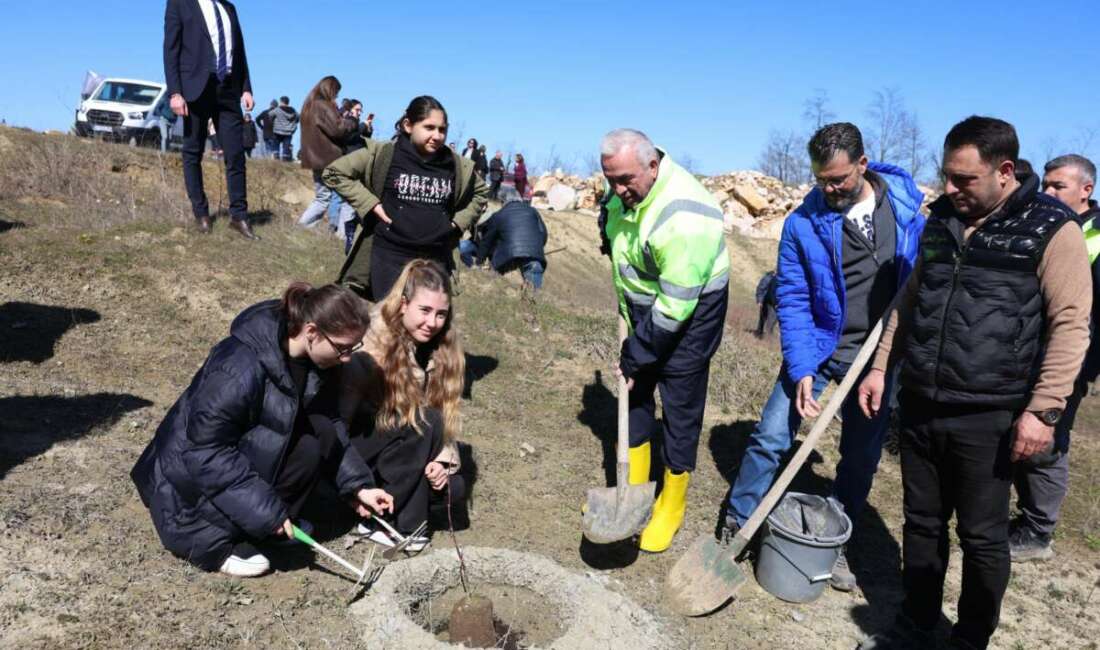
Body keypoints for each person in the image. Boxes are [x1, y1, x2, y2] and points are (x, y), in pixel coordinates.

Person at [857, 116, 1091, 650]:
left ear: (1004, 171)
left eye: (965, 180)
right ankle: (915, 624)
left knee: (982, 537)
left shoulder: (1052, 229)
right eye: (947, 177)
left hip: (990, 412)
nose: (951, 190)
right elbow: (910, 302)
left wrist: (1045, 410)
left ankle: (970, 639)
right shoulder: (940, 222)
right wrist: (880, 369)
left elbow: (1071, 324)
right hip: (921, 400)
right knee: (921, 523)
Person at [718, 123, 925, 592]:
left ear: (862, 165)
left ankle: (834, 541)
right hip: (820, 347)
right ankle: (739, 521)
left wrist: (888, 355)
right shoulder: (802, 223)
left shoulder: (907, 205)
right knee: (771, 436)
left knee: (860, 455)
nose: (828, 189)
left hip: (879, 357)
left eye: (838, 179)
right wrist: (802, 368)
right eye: (820, 180)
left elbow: (918, 275)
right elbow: (791, 298)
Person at [130, 282, 395, 577]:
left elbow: (329, 423)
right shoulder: (239, 367)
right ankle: (214, 536)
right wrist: (265, 511)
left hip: (229, 461)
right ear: (311, 332)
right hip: (183, 489)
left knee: (318, 432)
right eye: (342, 348)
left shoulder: (320, 362)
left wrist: (359, 485)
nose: (347, 358)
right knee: (266, 462)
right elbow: (204, 450)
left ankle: (265, 523)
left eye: (353, 348)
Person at [601, 129, 730, 553]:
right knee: (634, 393)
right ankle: (634, 489)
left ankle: (671, 502)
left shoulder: (685, 217)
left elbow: (675, 309)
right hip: (647, 306)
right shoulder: (623, 194)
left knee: (679, 404)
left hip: (692, 314)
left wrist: (635, 354)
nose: (618, 190)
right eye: (610, 179)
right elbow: (622, 231)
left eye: (625, 180)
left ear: (653, 165)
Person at [1004, 154, 1100, 562]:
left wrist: (1083, 369)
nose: (1047, 192)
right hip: (1023, 353)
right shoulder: (1048, 225)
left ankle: (1038, 531)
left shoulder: (1094, 238)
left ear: (1086, 190)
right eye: (1045, 184)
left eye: (1057, 186)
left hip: (1069, 361)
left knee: (1047, 443)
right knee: (1019, 434)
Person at [340, 260, 467, 545]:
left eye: (440, 314)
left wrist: (442, 460)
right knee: (424, 421)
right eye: (425, 310)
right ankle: (399, 525)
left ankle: (397, 516)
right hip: (364, 444)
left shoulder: (443, 348)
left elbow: (445, 416)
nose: (432, 322)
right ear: (403, 304)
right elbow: (342, 418)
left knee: (454, 488)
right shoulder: (373, 338)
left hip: (407, 446)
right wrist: (349, 482)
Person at [324, 95, 489, 301]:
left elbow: (481, 193)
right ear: (408, 125)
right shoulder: (384, 154)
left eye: (442, 129)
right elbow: (334, 173)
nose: (437, 136)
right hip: (389, 255)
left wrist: (458, 223)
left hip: (434, 259)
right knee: (392, 320)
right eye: (429, 127)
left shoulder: (456, 164)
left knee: (424, 323)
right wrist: (370, 204)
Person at [163, 0, 258, 239]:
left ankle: (239, 216)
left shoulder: (229, 8)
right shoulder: (179, 4)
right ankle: (202, 214)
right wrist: (175, 92)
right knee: (193, 151)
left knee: (235, 154)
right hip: (195, 87)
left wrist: (246, 87)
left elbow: (240, 50)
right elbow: (171, 49)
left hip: (228, 88)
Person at [296, 76, 358, 232]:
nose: (336, 96)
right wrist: (352, 121)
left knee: (322, 198)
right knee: (347, 197)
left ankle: (302, 228)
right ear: (331, 89)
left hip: (316, 159)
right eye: (336, 92)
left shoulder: (309, 105)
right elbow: (338, 129)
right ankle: (343, 236)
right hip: (330, 159)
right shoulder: (323, 106)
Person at [461, 185, 547, 289]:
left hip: (507, 257)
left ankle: (498, 290)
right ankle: (531, 298)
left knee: (498, 285)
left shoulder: (498, 215)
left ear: (503, 201)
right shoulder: (533, 211)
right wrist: (537, 248)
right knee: (533, 292)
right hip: (534, 256)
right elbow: (543, 233)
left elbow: (487, 241)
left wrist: (479, 262)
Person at [272, 95, 299, 162]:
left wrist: (273, 122)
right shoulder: (294, 111)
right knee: (286, 146)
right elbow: (298, 118)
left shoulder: (277, 109)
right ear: (288, 102)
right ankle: (285, 159)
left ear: (281, 102)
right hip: (289, 132)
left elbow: (270, 115)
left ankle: (276, 158)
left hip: (277, 131)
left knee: (276, 144)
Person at [753, 269, 778, 338]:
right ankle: (762, 335)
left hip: (774, 302)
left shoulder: (780, 279)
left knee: (771, 320)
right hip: (766, 301)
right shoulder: (768, 278)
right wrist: (759, 300)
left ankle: (764, 336)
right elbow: (761, 288)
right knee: (765, 319)